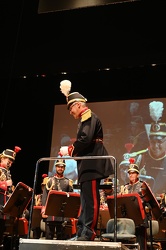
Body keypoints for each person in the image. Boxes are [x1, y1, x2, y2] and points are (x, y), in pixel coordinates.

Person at [59, 80, 114, 241]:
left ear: (78, 105)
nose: (70, 112)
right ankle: (82, 231)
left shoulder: (88, 116)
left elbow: (85, 139)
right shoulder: (84, 119)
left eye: (70, 108)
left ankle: (89, 232)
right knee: (84, 200)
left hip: (92, 163)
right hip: (87, 164)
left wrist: (68, 150)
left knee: (91, 200)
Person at [120, 158, 150, 250]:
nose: (131, 175)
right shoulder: (125, 187)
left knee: (141, 242)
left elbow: (147, 200)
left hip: (139, 216)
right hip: (128, 217)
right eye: (129, 173)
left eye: (133, 173)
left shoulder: (143, 186)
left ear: (138, 174)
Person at [41, 159, 74, 240]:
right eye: (58, 166)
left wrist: (69, 213)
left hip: (62, 213)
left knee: (61, 238)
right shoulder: (49, 180)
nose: (60, 168)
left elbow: (71, 198)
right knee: (49, 236)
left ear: (64, 168)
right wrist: (43, 209)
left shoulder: (68, 182)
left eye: (62, 167)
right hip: (50, 212)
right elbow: (45, 196)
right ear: (56, 167)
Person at [0, 146, 21, 250]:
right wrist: (4, 184)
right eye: (9, 160)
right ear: (2, 158)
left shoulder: (7, 172)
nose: (10, 163)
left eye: (12, 161)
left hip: (4, 209)